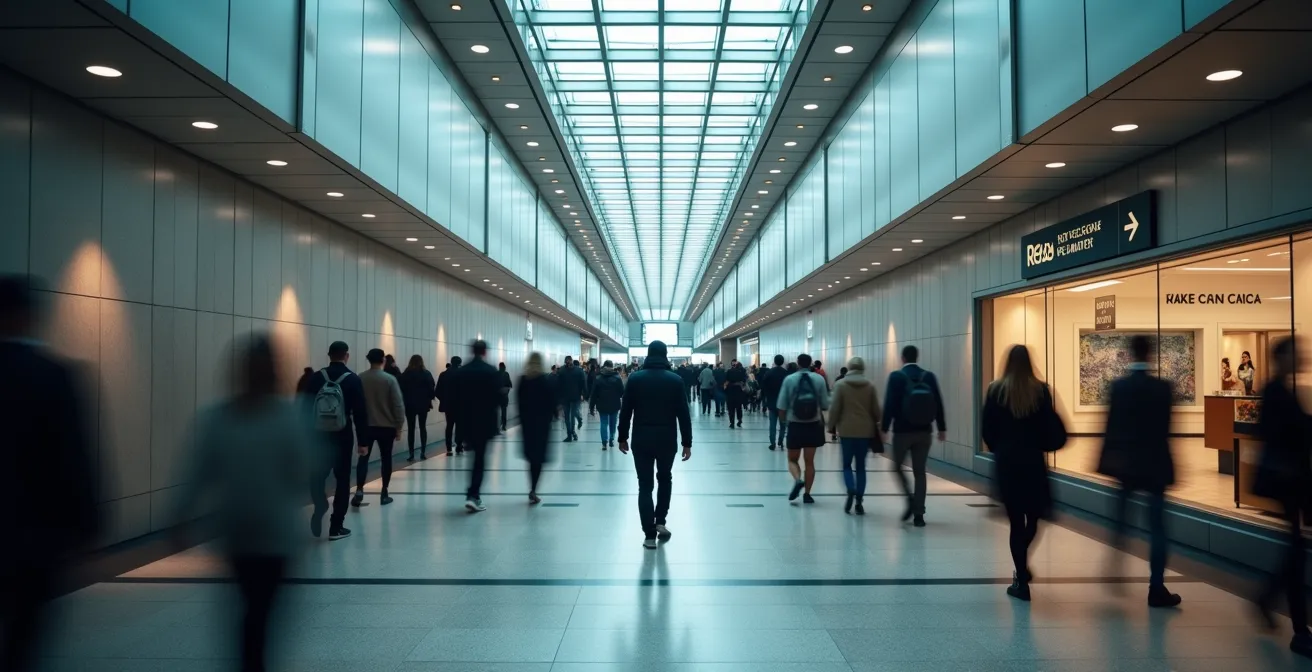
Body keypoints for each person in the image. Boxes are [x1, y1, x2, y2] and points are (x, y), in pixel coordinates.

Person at [175, 334, 310, 672]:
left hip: (236, 532)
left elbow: (198, 473)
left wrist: (179, 518)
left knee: (248, 608)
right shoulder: (289, 417)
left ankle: (251, 660)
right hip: (277, 533)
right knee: (261, 612)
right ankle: (255, 660)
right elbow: (305, 469)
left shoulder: (218, 417)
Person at [0, 276, 100, 672]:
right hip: (35, 539)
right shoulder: (53, 376)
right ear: (28, 316)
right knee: (24, 641)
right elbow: (74, 457)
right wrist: (88, 526)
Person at [1097, 335, 1182, 608]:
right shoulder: (1163, 389)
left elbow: (1110, 428)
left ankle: (1115, 561)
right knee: (1157, 527)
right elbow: (1168, 427)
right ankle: (1156, 586)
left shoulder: (1119, 387)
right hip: (1155, 464)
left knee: (1121, 519)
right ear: (1151, 354)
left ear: (1130, 353)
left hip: (1126, 465)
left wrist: (1106, 460)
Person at [981, 345, 1067, 602]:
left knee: (1015, 522)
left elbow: (988, 430)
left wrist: (1000, 449)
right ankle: (1022, 563)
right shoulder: (1040, 390)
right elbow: (1047, 427)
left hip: (1007, 463)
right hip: (1032, 462)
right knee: (1034, 520)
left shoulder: (995, 390)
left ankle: (1021, 577)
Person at [1253, 337, 1312, 657]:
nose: (1302, 358)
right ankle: (1300, 629)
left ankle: (1270, 599)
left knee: (1295, 550)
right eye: (1297, 354)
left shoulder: (1280, 390)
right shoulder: (1277, 392)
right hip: (1288, 481)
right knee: (1295, 552)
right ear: (1283, 357)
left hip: (1289, 481)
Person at [618, 341, 693, 549]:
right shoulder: (675, 380)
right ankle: (660, 520)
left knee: (645, 485)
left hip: (641, 438)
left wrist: (622, 436)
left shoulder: (635, 379)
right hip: (666, 439)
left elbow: (626, 411)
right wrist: (687, 442)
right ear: (665, 355)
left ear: (648, 355)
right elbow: (683, 415)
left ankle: (649, 535)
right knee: (665, 478)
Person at [302, 340, 368, 541]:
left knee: (317, 475)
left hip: (318, 435)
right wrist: (363, 442)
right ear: (346, 355)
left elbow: (304, 409)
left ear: (329, 355)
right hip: (342, 434)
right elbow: (360, 413)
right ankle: (336, 526)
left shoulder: (315, 378)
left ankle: (320, 504)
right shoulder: (353, 380)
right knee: (342, 479)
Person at [881, 344, 946, 527]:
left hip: (902, 432)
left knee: (896, 468)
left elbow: (890, 404)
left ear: (902, 358)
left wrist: (884, 428)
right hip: (924, 432)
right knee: (920, 472)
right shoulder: (929, 376)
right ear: (917, 358)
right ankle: (919, 514)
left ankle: (909, 499)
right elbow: (938, 402)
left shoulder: (896, 377)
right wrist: (941, 427)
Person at [827, 357, 883, 515]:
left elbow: (835, 408)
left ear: (849, 368)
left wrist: (831, 425)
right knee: (860, 467)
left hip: (846, 430)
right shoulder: (870, 386)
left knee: (846, 464)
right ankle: (859, 500)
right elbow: (877, 412)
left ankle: (850, 488)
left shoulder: (840, 385)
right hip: (865, 432)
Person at [452, 340, 502, 512]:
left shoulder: (462, 372)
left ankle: (473, 493)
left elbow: (456, 398)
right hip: (484, 423)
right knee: (479, 459)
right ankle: (474, 495)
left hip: (466, 421)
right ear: (485, 352)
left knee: (473, 458)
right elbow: (497, 399)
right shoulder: (490, 371)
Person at [351, 348, 405, 507]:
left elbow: (356, 404)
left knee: (363, 458)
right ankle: (384, 492)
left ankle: (359, 490)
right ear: (383, 360)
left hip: (366, 426)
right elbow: (398, 405)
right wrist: (399, 426)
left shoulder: (360, 378)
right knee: (386, 458)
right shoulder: (389, 379)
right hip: (386, 427)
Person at [777, 353, 830, 504]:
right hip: (813, 425)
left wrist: (783, 422)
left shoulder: (789, 379)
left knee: (792, 460)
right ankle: (807, 494)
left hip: (795, 424)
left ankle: (797, 480)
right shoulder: (819, 379)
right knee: (809, 462)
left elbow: (781, 406)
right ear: (810, 363)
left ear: (798, 363)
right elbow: (825, 405)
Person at [518, 353, 555, 504]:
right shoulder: (544, 380)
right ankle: (533, 488)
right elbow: (551, 402)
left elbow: (520, 403)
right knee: (538, 459)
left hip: (528, 425)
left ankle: (532, 487)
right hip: (542, 425)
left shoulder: (523, 380)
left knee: (531, 457)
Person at [399, 355, 436, 461]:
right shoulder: (426, 373)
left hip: (409, 405)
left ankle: (411, 453)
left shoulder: (406, 373)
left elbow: (401, 388)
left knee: (411, 429)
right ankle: (423, 452)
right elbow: (431, 387)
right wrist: (430, 398)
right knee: (422, 427)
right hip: (423, 405)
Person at [591, 359, 624, 450]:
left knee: (604, 422)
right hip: (614, 404)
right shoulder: (617, 378)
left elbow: (594, 394)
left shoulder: (598, 378)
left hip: (602, 404)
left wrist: (591, 407)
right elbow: (622, 392)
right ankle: (611, 439)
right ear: (612, 367)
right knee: (613, 423)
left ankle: (604, 442)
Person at [436, 356, 463, 455]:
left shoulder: (443, 374)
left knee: (449, 426)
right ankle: (459, 445)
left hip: (448, 405)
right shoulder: (462, 374)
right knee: (460, 425)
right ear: (460, 363)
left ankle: (448, 448)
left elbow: (437, 391)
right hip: (460, 405)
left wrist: (444, 400)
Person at [760, 355, 789, 449]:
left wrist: (764, 398)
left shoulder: (769, 372)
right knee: (782, 423)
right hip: (783, 403)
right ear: (783, 361)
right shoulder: (786, 374)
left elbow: (764, 386)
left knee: (772, 423)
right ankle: (781, 441)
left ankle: (772, 442)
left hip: (772, 401)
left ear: (775, 361)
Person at [558, 356, 586, 442]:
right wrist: (583, 394)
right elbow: (583, 383)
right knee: (572, 416)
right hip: (575, 397)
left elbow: (558, 385)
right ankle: (572, 433)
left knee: (568, 417)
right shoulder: (579, 371)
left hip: (566, 397)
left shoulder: (561, 370)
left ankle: (570, 435)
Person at [725, 359, 748, 428]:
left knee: (731, 408)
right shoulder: (742, 372)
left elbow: (727, 380)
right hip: (739, 391)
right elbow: (744, 380)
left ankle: (732, 422)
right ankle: (739, 419)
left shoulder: (729, 371)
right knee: (739, 407)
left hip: (730, 391)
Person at [497, 362, 513, 434]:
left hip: (497, 396)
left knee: (496, 412)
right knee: (504, 411)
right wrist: (506, 392)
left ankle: (497, 426)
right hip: (504, 396)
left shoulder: (496, 374)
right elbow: (510, 385)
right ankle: (504, 425)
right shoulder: (506, 374)